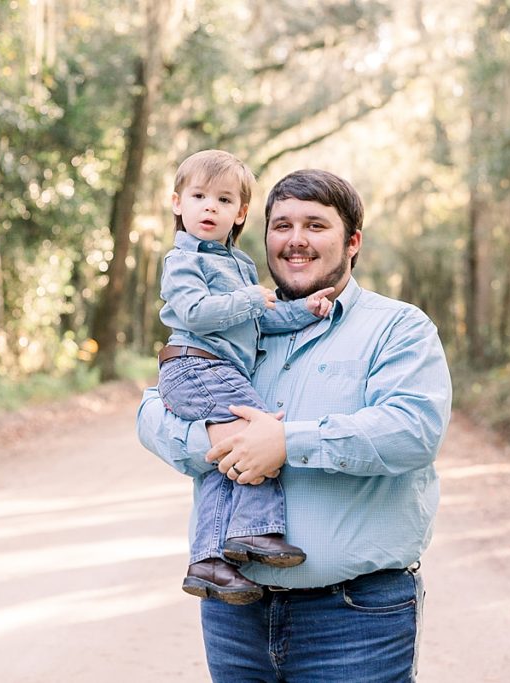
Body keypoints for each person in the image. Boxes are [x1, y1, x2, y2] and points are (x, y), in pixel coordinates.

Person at [138, 168, 452, 681]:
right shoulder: (238, 322)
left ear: (352, 241)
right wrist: (217, 439)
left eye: (315, 225)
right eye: (282, 225)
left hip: (355, 619)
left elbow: (411, 430)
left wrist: (287, 441)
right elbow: (152, 413)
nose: (296, 240)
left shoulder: (398, 327)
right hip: (233, 611)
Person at [157, 150, 335, 606]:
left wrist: (303, 311)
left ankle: (210, 562)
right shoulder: (182, 262)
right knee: (261, 434)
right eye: (199, 196)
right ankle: (256, 532)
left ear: (240, 213)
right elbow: (194, 312)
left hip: (216, 368)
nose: (210, 207)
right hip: (195, 364)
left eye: (223, 199)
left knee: (227, 459)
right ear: (178, 203)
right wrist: (251, 299)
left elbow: (260, 320)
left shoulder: (239, 267)